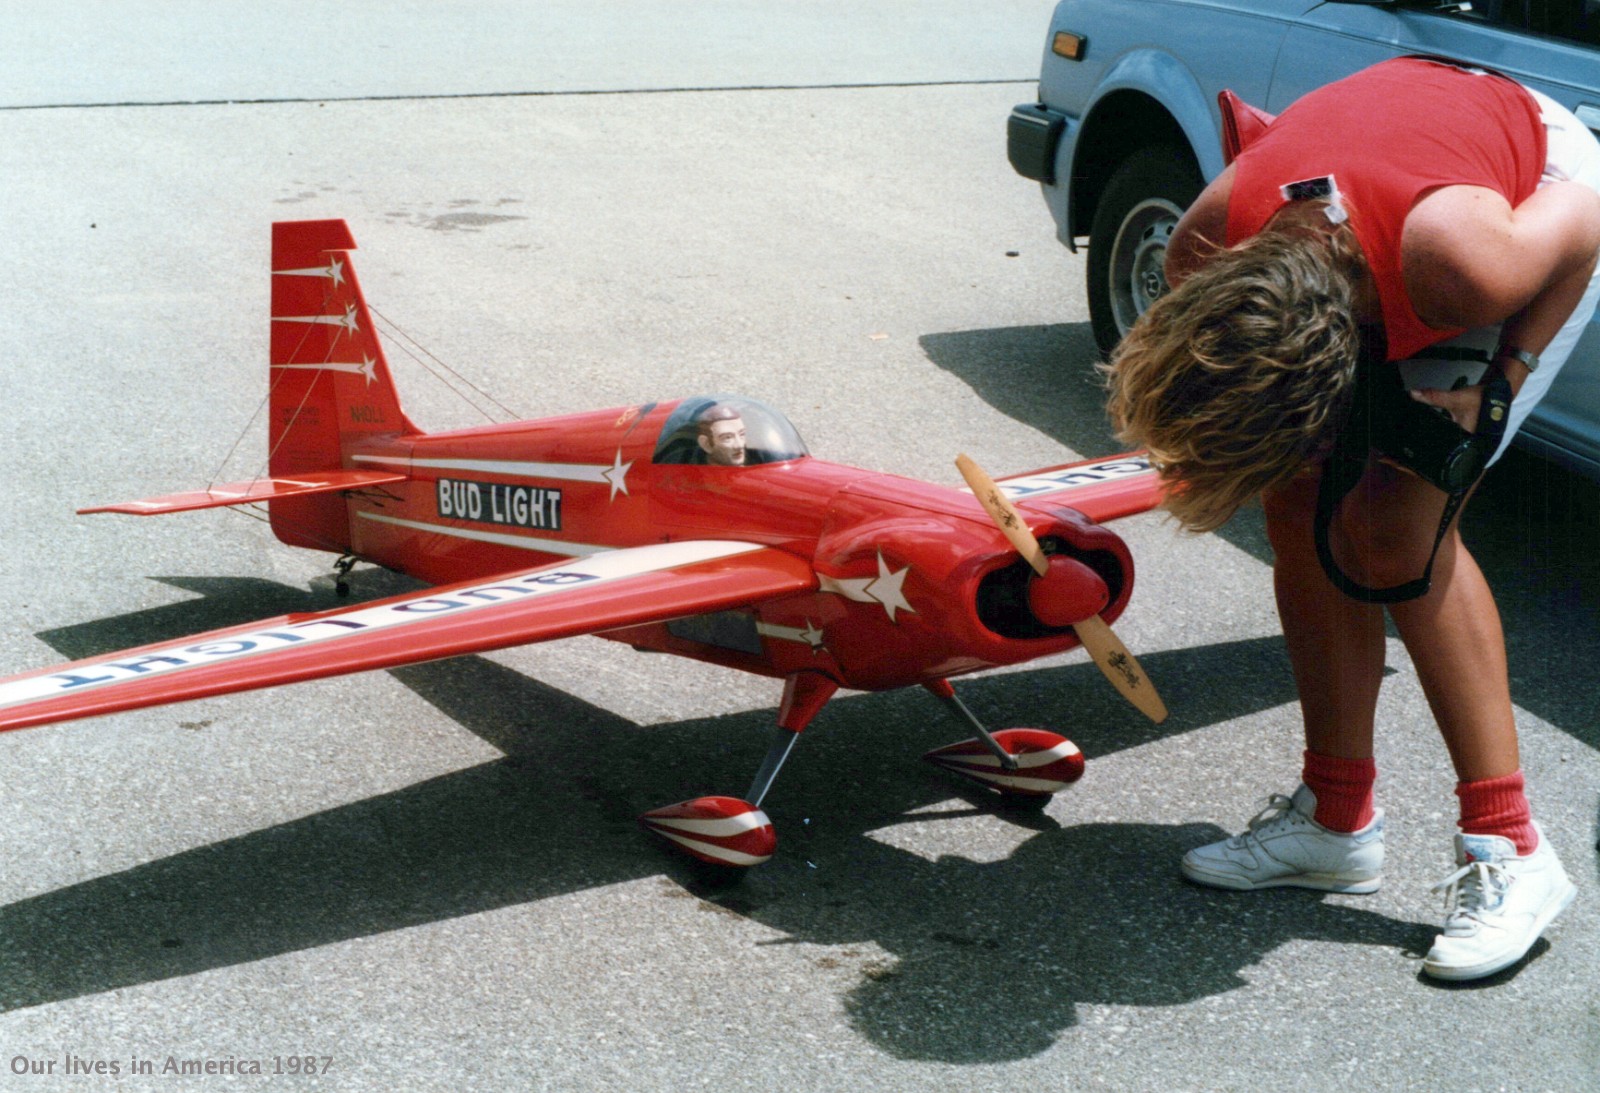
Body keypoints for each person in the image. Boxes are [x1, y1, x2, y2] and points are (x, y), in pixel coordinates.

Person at [1103, 56, 1600, 981]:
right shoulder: (1201, 247)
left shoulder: (1465, 263)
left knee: (1394, 525)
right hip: (1360, 191)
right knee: (1294, 499)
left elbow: (1585, 224)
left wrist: (1500, 383)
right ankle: (1334, 819)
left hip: (1538, 185)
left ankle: (1513, 851)